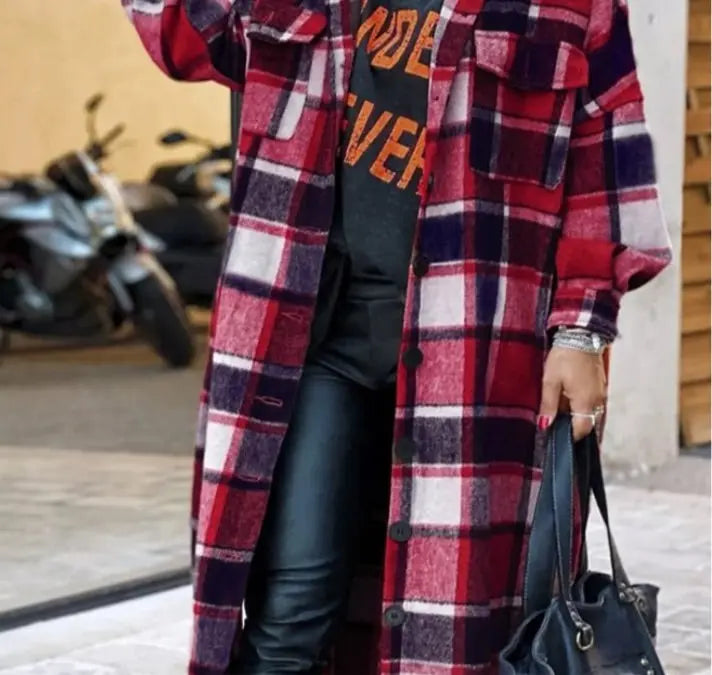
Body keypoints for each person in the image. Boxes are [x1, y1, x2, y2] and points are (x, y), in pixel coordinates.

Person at [123, 0, 672, 672]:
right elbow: (181, 34)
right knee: (291, 608)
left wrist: (582, 330)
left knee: (457, 620)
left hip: (477, 352)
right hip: (317, 342)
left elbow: (606, 157)